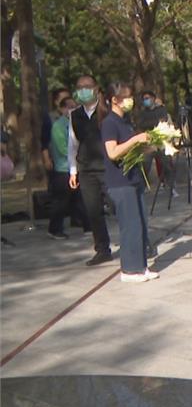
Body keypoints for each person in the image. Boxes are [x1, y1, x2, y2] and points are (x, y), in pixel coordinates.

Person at [100, 82, 158, 283]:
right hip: (119, 181)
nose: (130, 100)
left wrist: (152, 144)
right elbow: (113, 152)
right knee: (130, 225)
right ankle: (129, 270)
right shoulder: (109, 123)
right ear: (114, 100)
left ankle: (141, 265)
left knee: (141, 222)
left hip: (134, 178)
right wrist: (135, 140)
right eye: (125, 97)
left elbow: (131, 150)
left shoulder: (126, 121)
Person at [68, 74, 113, 266]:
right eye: (80, 87)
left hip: (108, 167)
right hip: (86, 169)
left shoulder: (108, 112)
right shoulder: (75, 114)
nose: (83, 90)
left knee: (119, 206)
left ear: (96, 88)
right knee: (93, 211)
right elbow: (72, 144)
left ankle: (138, 242)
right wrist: (73, 170)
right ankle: (102, 249)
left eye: (87, 86)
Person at [47, 96, 86, 239]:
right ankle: (54, 229)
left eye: (74, 106)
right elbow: (64, 149)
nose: (72, 109)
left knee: (78, 198)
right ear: (62, 109)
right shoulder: (58, 126)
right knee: (60, 201)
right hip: (63, 169)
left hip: (77, 166)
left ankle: (84, 223)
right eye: (69, 107)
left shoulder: (76, 123)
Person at [137, 90, 176, 194]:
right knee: (145, 165)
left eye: (148, 98)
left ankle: (172, 187)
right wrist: (155, 122)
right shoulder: (143, 113)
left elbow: (163, 120)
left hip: (161, 141)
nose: (146, 101)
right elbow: (141, 125)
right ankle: (142, 187)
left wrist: (151, 124)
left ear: (153, 98)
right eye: (144, 99)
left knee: (167, 165)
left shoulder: (161, 109)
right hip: (149, 142)